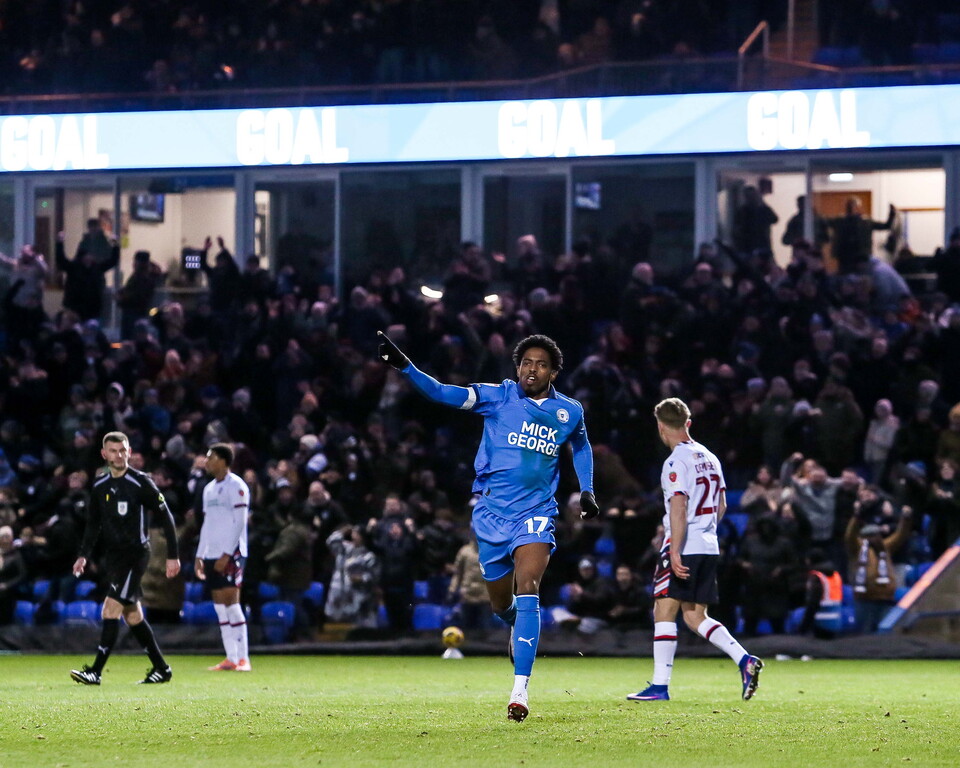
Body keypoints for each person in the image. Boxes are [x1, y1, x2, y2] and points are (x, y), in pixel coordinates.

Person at [377, 330, 598, 722]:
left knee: (528, 585)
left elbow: (580, 445)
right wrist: (405, 368)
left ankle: (520, 690)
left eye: (541, 364)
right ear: (518, 367)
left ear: (553, 372)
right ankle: (515, 625)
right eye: (527, 362)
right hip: (492, 515)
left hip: (536, 512)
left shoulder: (569, 411)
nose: (533, 368)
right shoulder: (496, 396)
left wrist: (587, 490)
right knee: (500, 604)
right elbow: (443, 393)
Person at [628, 398, 762, 702]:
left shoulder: (675, 461)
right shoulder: (711, 457)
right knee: (694, 615)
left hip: (685, 545)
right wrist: (705, 531)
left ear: (661, 427)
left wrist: (675, 549)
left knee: (664, 607)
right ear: (688, 423)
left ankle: (660, 686)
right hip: (708, 545)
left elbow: (679, 504)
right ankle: (745, 660)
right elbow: (723, 505)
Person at [70, 432, 180, 685]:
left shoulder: (141, 482)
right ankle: (161, 668)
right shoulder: (99, 485)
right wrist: (83, 555)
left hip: (136, 555)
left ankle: (95, 671)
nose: (119, 455)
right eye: (113, 451)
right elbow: (93, 523)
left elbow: (166, 518)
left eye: (123, 450)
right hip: (115, 559)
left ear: (129, 452)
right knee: (133, 616)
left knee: (111, 608)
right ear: (104, 454)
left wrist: (173, 556)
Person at [195, 443, 251, 672]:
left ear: (222, 460)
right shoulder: (208, 489)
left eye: (210, 457)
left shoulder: (237, 486)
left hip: (232, 552)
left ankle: (243, 658)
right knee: (220, 607)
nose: (206, 461)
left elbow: (240, 522)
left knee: (232, 603)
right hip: (212, 552)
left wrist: (228, 553)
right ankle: (230, 657)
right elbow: (207, 524)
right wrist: (200, 553)